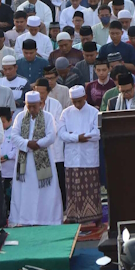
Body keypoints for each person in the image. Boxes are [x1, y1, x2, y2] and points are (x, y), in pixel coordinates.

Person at [8, 91, 63, 226]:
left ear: (40, 104)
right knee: (24, 191)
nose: (32, 109)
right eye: (29, 106)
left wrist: (37, 144)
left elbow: (51, 136)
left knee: (46, 191)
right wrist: (27, 144)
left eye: (34, 106)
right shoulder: (20, 117)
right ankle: (24, 220)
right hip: (24, 160)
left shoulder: (48, 117)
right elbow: (14, 136)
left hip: (43, 159)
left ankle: (47, 219)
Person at [59, 85, 101, 225]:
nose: (77, 104)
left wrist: (77, 136)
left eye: (79, 101)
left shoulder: (94, 112)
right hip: (72, 159)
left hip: (88, 158)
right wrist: (77, 138)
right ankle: (73, 217)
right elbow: (61, 134)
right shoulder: (66, 113)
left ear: (85, 97)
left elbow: (97, 133)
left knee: (90, 188)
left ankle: (92, 218)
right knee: (73, 189)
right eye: (74, 101)